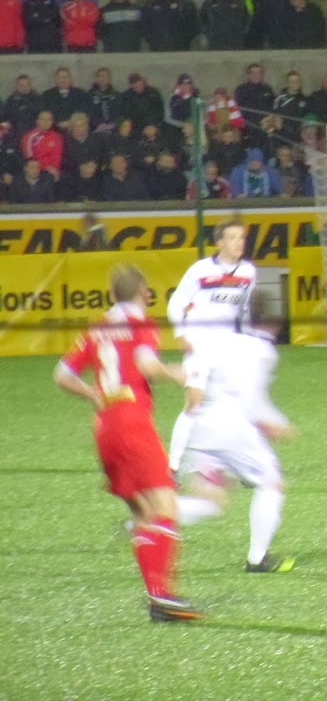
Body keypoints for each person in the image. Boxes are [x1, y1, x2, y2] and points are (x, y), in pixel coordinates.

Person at [53, 263, 202, 621]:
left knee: (142, 513)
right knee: (165, 505)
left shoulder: (98, 327)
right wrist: (177, 373)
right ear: (143, 293)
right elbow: (147, 364)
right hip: (133, 422)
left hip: (105, 425)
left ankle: (158, 601)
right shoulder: (141, 323)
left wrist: (93, 394)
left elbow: (62, 375)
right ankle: (163, 596)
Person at [174, 304, 296, 574]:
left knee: (211, 499)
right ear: (275, 325)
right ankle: (257, 559)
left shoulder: (223, 342)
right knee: (271, 484)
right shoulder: (263, 351)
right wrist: (274, 423)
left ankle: (143, 521)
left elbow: (195, 374)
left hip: (204, 425)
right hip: (234, 428)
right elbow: (251, 397)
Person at [165, 222, 256, 474]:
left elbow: (244, 310)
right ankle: (172, 467)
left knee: (235, 406)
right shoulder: (200, 270)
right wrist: (181, 334)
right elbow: (176, 303)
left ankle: (240, 465)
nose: (239, 242)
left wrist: (248, 339)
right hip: (200, 344)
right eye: (233, 237)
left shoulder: (248, 272)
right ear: (220, 242)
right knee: (195, 403)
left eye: (242, 237)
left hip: (229, 346)